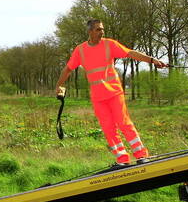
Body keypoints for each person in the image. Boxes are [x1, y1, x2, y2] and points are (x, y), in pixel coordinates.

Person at [55, 19, 167, 165]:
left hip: (114, 93)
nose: (102, 32)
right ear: (90, 32)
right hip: (98, 97)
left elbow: (130, 53)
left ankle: (141, 155)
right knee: (108, 129)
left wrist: (152, 60)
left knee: (124, 123)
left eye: (102, 29)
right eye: (98, 30)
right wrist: (58, 85)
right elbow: (68, 69)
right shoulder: (80, 50)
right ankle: (122, 158)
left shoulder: (110, 44)